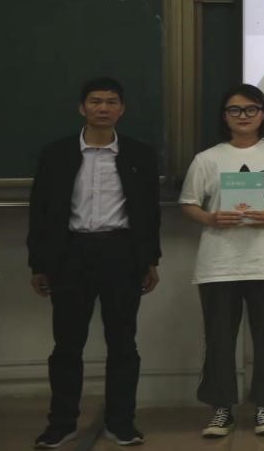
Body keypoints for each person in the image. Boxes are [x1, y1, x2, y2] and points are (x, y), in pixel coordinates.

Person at [27, 77, 161, 448]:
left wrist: (150, 260)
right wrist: (38, 263)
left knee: (123, 343)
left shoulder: (139, 155)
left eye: (111, 101)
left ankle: (121, 422)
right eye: (96, 101)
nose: (103, 108)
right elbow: (40, 211)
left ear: (122, 109)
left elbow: (149, 213)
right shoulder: (56, 153)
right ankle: (61, 423)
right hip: (71, 255)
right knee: (67, 345)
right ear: (82, 107)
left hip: (121, 254)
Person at [179, 84, 264, 438]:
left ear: (263, 114)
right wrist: (210, 218)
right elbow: (188, 203)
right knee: (219, 339)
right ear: (225, 117)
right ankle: (221, 408)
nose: (243, 116)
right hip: (218, 264)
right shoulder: (207, 159)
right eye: (234, 110)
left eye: (251, 109)